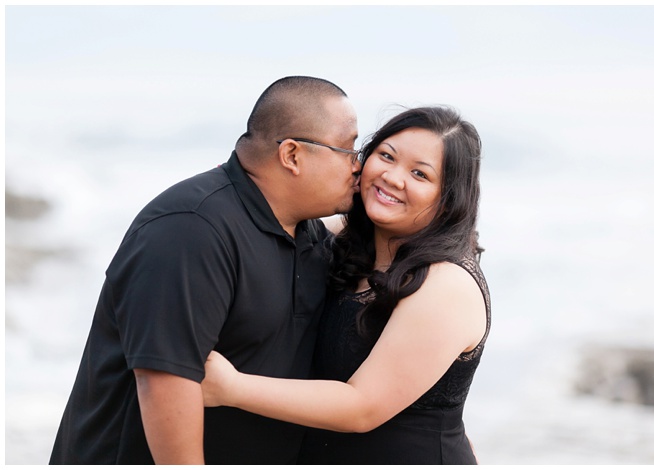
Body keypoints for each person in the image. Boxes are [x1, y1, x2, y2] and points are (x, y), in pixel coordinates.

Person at [49, 76, 362, 464]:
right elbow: (165, 381)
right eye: (348, 149)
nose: (358, 167)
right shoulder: (189, 229)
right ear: (292, 156)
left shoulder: (309, 236)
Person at [201, 106, 491, 464]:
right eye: (386, 156)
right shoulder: (345, 241)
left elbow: (362, 407)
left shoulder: (446, 285)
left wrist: (230, 388)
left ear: (448, 200)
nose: (393, 177)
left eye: (419, 173)